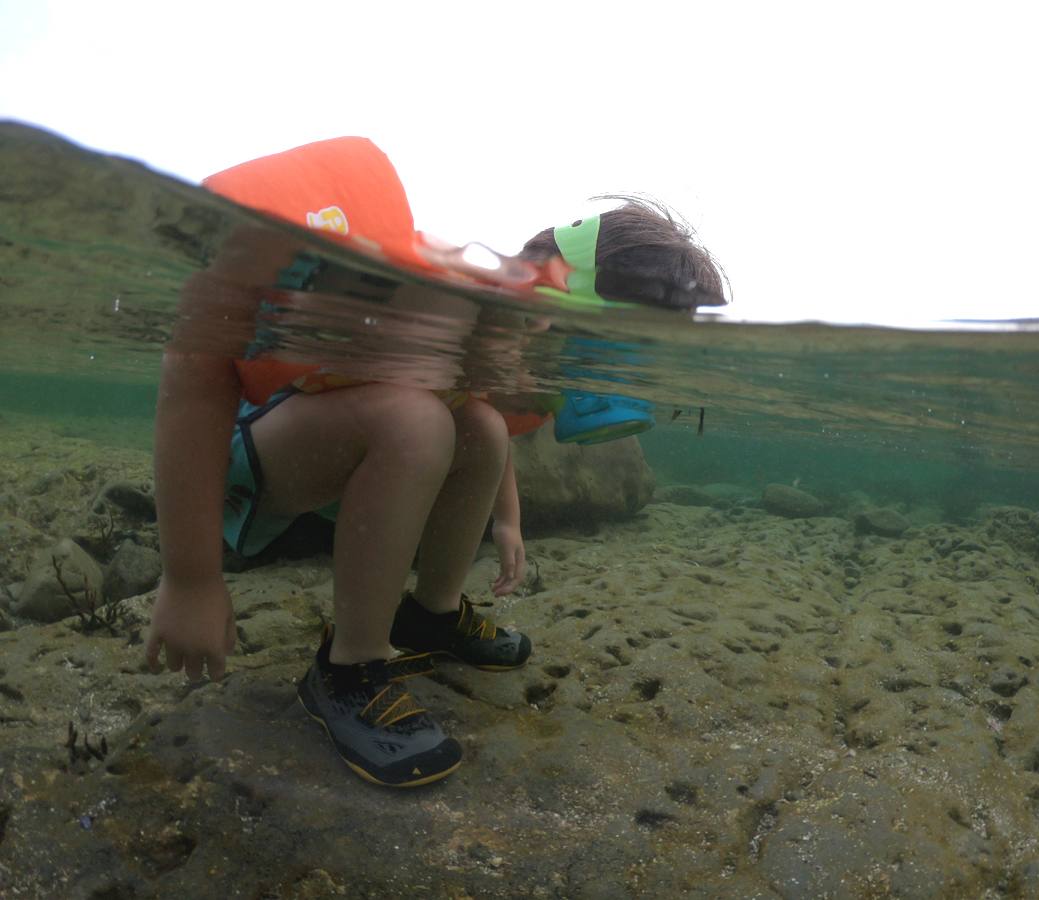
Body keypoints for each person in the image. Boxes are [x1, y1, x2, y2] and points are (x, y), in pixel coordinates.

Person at [146, 137, 724, 787]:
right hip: (248, 458)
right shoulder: (430, 292)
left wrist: (508, 521)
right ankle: (347, 669)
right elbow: (194, 370)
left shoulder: (490, 333)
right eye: (561, 359)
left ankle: (430, 612)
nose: (550, 386)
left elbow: (485, 421)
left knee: (475, 423)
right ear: (543, 292)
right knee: (418, 422)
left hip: (336, 453)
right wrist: (190, 578)